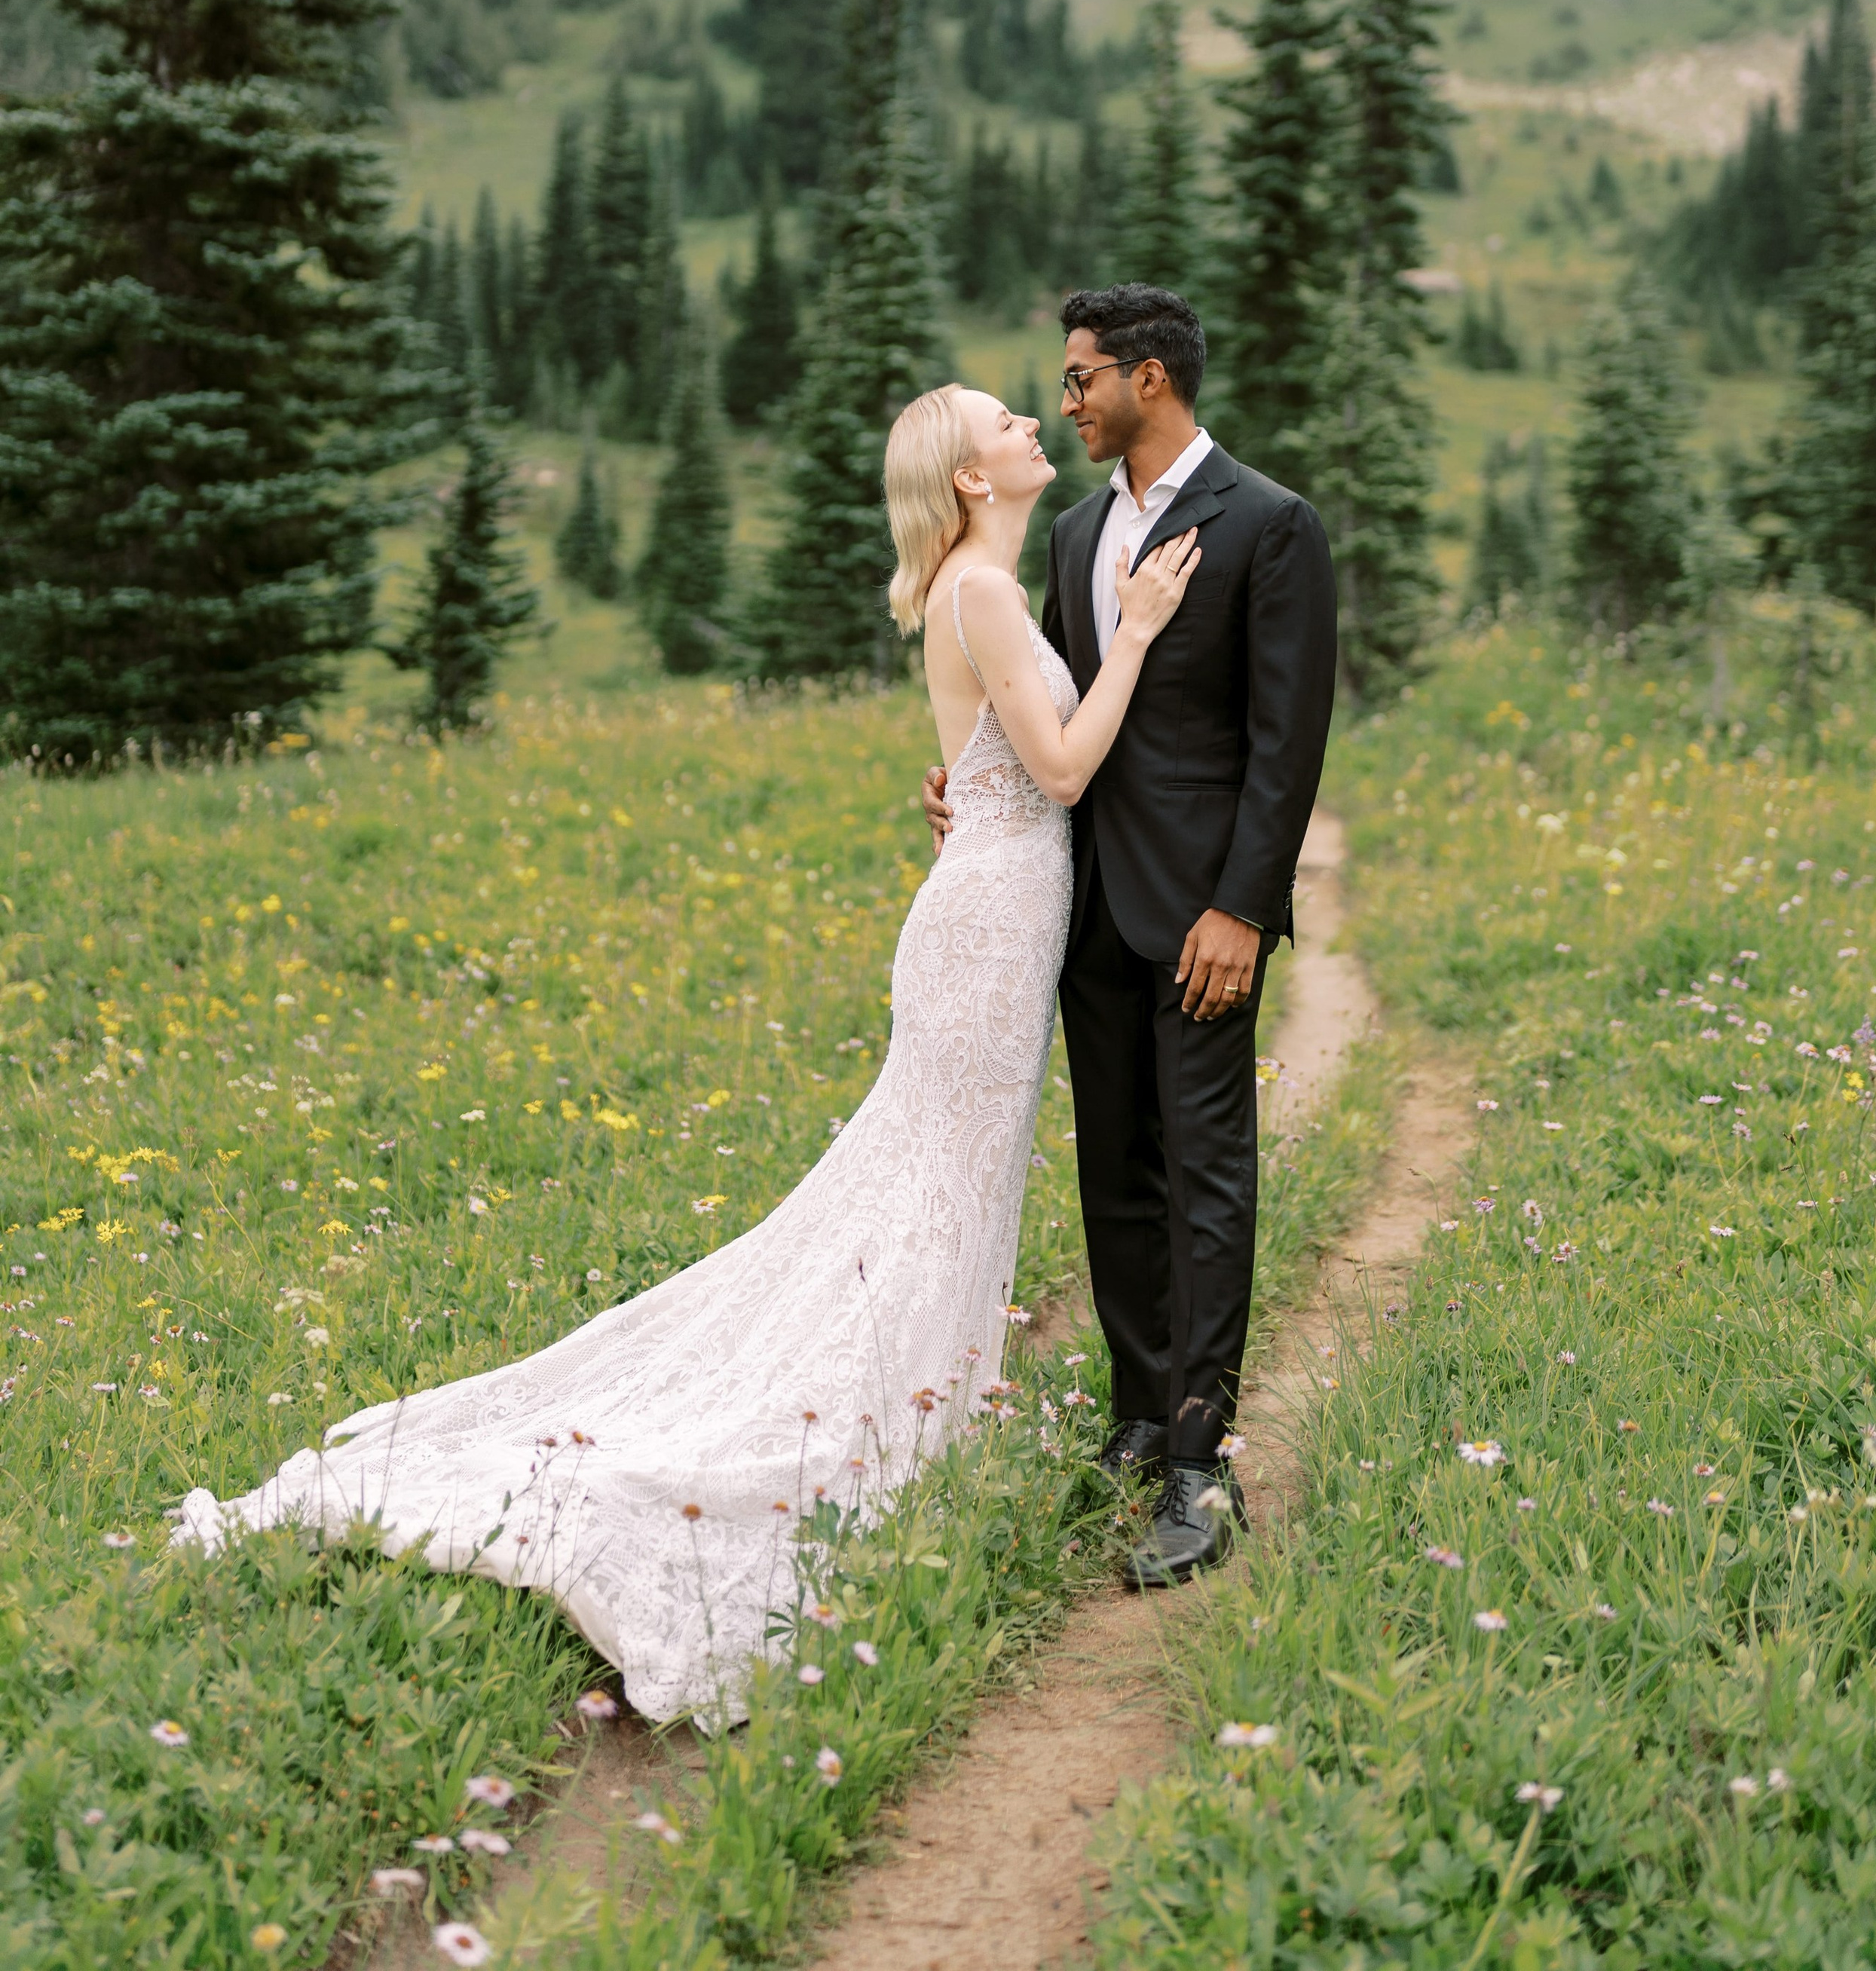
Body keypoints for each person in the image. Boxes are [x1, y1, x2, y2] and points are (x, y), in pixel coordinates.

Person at [173, 382, 1196, 1722]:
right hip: (989, 928)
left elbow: (1000, 766)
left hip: (994, 915)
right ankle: (863, 1430)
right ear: (967, 475)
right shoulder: (988, 593)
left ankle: (912, 1417)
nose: (1027, 422)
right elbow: (1059, 772)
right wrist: (1139, 633)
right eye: (1004, 418)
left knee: (940, 1182)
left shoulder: (981, 587)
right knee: (931, 1186)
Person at [924, 284, 1336, 1587]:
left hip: (1205, 916)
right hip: (1085, 908)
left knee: (1207, 1178)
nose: (1067, 402)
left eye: (1080, 377)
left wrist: (1244, 908)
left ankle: (1203, 1467)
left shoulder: (1269, 523)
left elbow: (1286, 743)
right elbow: (1056, 705)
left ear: (1148, 378)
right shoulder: (1076, 533)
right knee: (1116, 1173)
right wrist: (970, 782)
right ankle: (1141, 1418)